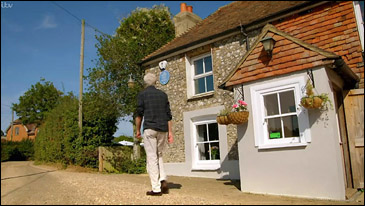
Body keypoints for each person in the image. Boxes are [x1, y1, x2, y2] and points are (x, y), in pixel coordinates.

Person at [135, 73, 174, 196]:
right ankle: (162, 179)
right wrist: (170, 132)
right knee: (159, 155)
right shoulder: (163, 95)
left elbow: (139, 114)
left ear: (146, 83)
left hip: (150, 128)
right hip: (163, 129)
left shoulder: (142, 95)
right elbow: (168, 115)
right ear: (156, 82)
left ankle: (156, 189)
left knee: (152, 157)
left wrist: (137, 130)